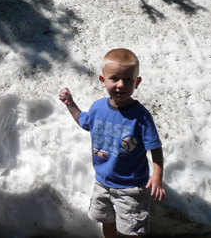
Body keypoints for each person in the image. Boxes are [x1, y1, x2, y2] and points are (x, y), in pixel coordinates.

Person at [59, 48, 165, 238]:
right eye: (114, 78)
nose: (121, 85)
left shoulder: (141, 116)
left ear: (137, 82)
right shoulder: (98, 107)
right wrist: (70, 104)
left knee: (132, 229)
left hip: (131, 187)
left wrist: (157, 176)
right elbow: (84, 121)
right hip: (103, 183)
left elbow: (155, 147)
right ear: (103, 80)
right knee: (107, 220)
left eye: (128, 80)